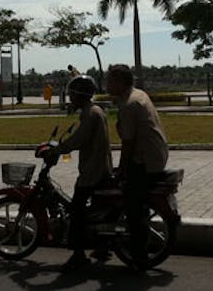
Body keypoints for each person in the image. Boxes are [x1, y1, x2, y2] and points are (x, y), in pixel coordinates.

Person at [106, 63, 168, 270]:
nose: (107, 84)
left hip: (145, 161)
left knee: (133, 208)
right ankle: (104, 245)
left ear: (121, 82)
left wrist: (122, 168)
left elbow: (128, 142)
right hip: (155, 155)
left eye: (110, 80)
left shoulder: (130, 104)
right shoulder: (138, 95)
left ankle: (140, 257)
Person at [48, 75, 113, 272]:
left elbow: (78, 139)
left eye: (72, 94)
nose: (70, 98)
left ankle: (78, 255)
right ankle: (103, 247)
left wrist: (57, 150)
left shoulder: (89, 114)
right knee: (98, 211)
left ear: (80, 95)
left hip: (92, 172)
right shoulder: (95, 110)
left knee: (76, 211)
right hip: (101, 168)